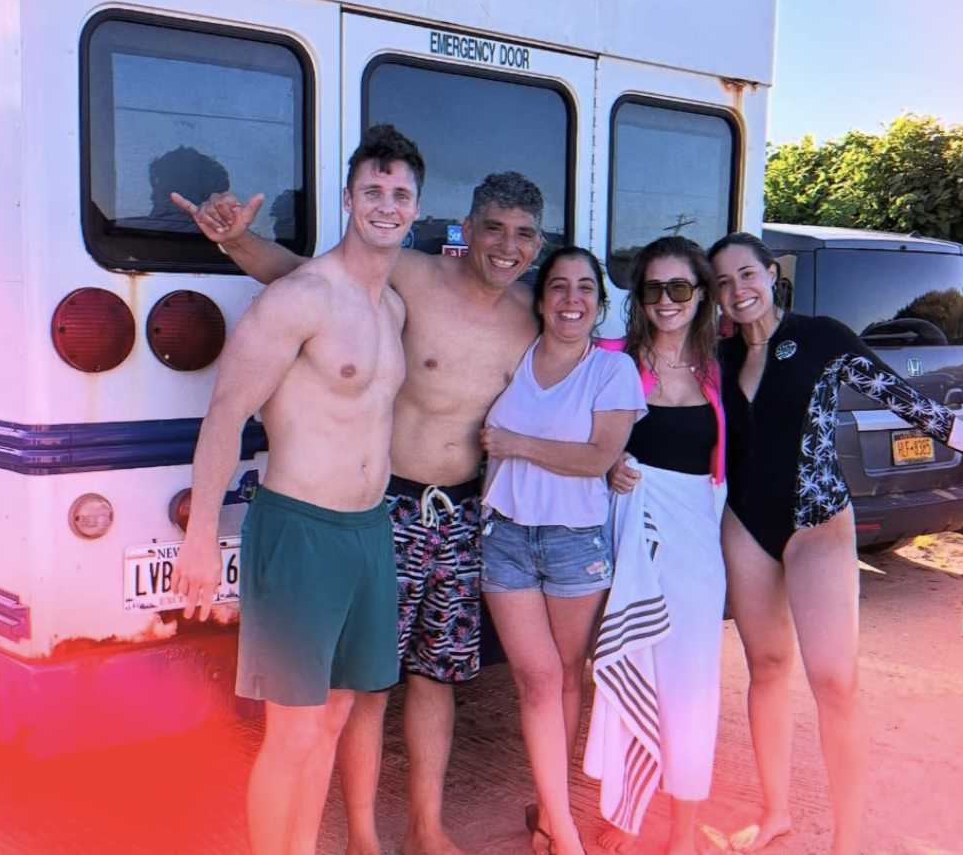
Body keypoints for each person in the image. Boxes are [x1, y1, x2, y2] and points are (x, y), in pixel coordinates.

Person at [173, 169, 545, 855]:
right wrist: (236, 242)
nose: (506, 245)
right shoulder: (412, 276)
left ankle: (427, 830)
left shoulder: (533, 315)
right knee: (352, 696)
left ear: (538, 242)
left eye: (523, 234)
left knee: (436, 676)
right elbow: (303, 275)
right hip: (385, 505)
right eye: (493, 227)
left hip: (460, 514)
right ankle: (365, 837)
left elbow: (584, 369)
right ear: (464, 228)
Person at [706, 232, 963, 855]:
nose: (736, 290)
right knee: (766, 669)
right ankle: (775, 815)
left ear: (771, 274)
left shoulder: (822, 337)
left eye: (746, 274)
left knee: (835, 683)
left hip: (819, 522)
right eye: (721, 281)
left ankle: (847, 841)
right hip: (745, 525)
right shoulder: (715, 356)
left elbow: (907, 402)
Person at [170, 124, 424, 855]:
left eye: (399, 194)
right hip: (301, 531)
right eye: (372, 191)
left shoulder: (393, 308)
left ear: (415, 207)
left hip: (369, 533)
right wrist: (199, 537)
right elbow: (224, 415)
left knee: (339, 716)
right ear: (348, 199)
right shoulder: (302, 298)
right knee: (293, 732)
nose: (386, 205)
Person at [479, 247, 647, 855]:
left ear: (600, 305)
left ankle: (553, 814)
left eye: (584, 288)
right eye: (557, 286)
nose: (570, 299)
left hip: (575, 540)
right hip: (504, 536)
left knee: (566, 676)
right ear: (540, 296)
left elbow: (597, 458)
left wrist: (514, 443)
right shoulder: (513, 357)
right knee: (537, 677)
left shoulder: (611, 372)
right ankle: (565, 829)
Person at [586, 236, 727, 855]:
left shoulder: (719, 367)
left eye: (680, 288)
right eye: (653, 289)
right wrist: (609, 462)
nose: (667, 301)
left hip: (699, 540)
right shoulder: (609, 358)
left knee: (694, 683)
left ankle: (684, 831)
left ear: (700, 295)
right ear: (638, 296)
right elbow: (578, 434)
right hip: (631, 534)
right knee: (630, 659)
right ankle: (625, 811)